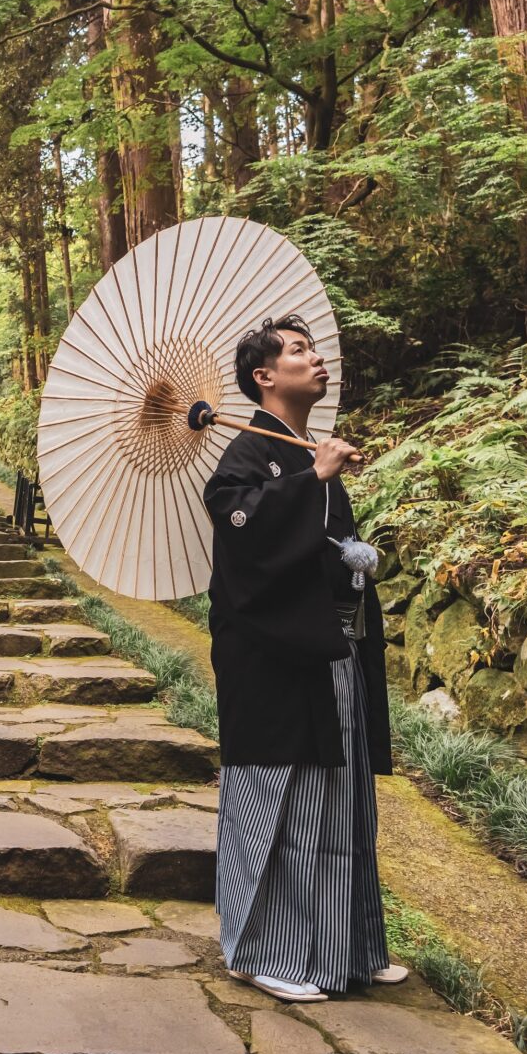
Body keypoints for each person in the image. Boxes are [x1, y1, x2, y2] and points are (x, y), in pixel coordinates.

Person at [202, 314, 407, 1004]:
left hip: (328, 651)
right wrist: (304, 481)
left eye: (313, 348)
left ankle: (346, 948)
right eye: (297, 351)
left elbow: (319, 546)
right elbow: (238, 528)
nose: (316, 358)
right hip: (272, 663)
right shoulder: (245, 455)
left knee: (339, 803)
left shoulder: (299, 447)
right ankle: (259, 949)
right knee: (276, 802)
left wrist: (348, 549)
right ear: (264, 376)